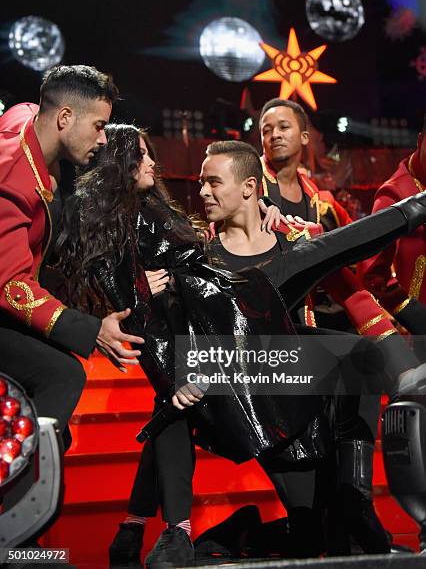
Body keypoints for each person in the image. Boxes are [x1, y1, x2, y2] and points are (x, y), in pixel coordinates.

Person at [58, 125, 426, 564]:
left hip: (281, 367)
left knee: (359, 352)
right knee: (334, 280)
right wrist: (150, 304)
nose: (199, 189)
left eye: (213, 181)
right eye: (202, 182)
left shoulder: (272, 231)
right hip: (238, 367)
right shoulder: (155, 237)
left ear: (250, 188)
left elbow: (353, 286)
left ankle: (339, 501)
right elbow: (157, 332)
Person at [258, 98, 417, 554]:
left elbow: (350, 283)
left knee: (327, 491)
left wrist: (392, 347)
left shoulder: (324, 207)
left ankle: (357, 505)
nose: (274, 135)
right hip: (263, 344)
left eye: (284, 126)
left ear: (306, 137)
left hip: (313, 340)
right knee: (306, 504)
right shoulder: (250, 192)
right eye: (266, 129)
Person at [0, 67, 144, 526]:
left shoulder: (29, 122)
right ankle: (20, 511)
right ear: (63, 118)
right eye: (98, 126)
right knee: (62, 374)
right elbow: (11, 287)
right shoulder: (10, 177)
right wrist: (89, 329)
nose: (104, 139)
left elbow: (19, 110)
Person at [359, 114, 426, 339]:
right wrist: (413, 315)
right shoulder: (394, 194)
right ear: (420, 140)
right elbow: (372, 273)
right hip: (415, 334)